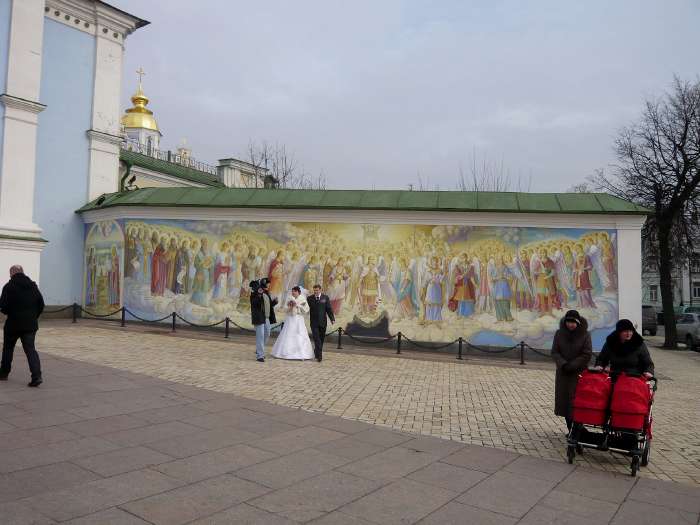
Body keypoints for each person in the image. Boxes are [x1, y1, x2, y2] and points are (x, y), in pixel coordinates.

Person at [0, 265, 45, 387]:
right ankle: (37, 376)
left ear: (12, 273)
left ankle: (4, 373)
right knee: (30, 350)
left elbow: (3, 306)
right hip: (30, 325)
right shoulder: (33, 287)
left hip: (13, 324)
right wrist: (33, 316)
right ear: (22, 272)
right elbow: (41, 304)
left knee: (8, 349)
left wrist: (10, 312)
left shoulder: (8, 287)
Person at [551, 310, 592, 430]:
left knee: (577, 403)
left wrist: (573, 365)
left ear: (578, 323)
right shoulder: (559, 334)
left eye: (573, 322)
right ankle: (570, 430)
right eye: (568, 322)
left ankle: (577, 430)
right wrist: (563, 364)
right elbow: (555, 352)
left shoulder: (585, 334)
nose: (570, 325)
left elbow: (586, 353)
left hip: (578, 374)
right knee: (565, 403)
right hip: (563, 373)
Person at [271, 286, 313, 360]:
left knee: (299, 334)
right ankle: (285, 353)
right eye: (292, 291)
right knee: (288, 333)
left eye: (295, 291)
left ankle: (301, 354)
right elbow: (285, 309)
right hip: (290, 318)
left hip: (298, 318)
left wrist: (297, 305)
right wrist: (290, 307)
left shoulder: (302, 299)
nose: (293, 292)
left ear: (298, 292)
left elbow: (306, 310)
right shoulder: (289, 298)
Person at [307, 284, 335, 362]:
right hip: (314, 323)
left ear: (320, 290)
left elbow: (328, 309)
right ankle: (319, 356)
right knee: (317, 339)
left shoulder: (325, 298)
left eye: (317, 290)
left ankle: (317, 351)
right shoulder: (309, 298)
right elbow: (306, 308)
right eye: (314, 290)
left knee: (321, 339)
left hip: (323, 322)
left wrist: (332, 319)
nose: (315, 292)